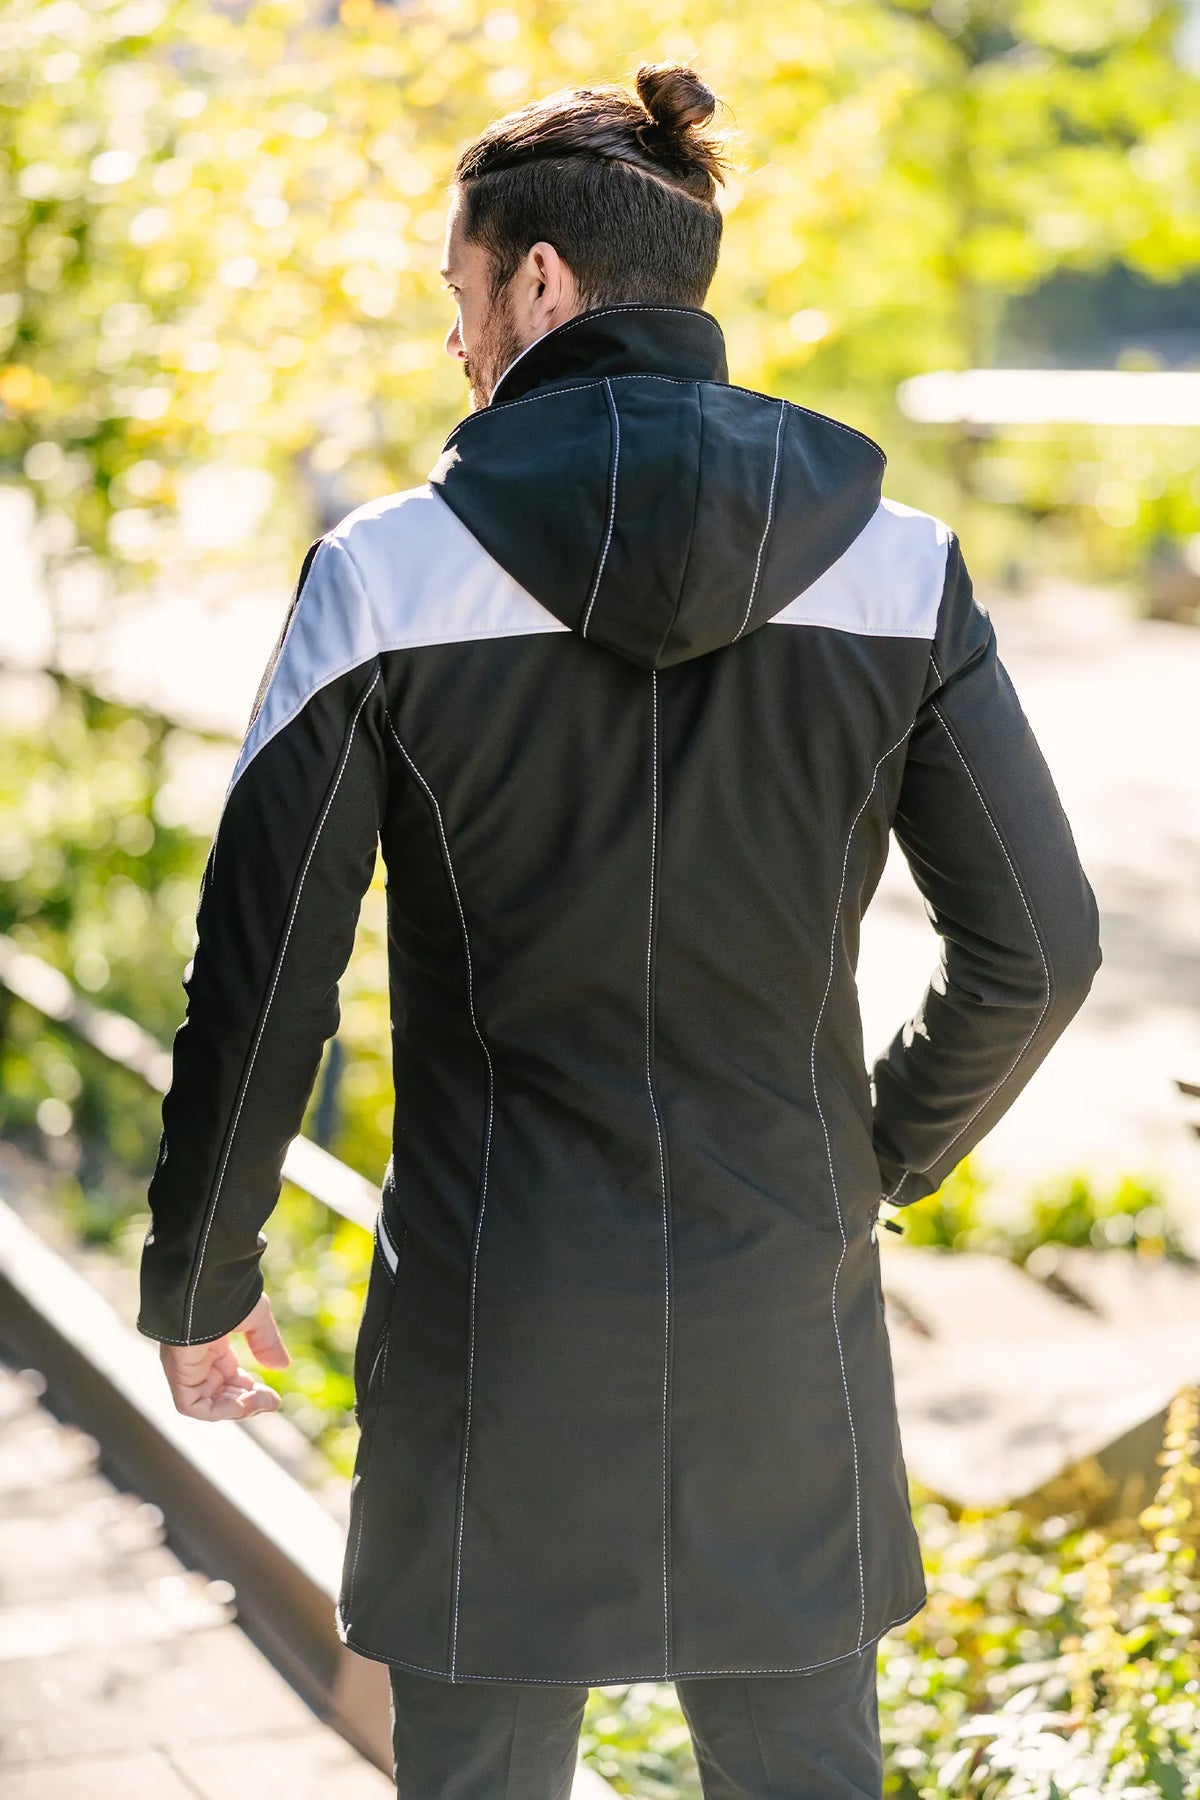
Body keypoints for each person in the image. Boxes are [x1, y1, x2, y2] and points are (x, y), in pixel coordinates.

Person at [138, 62, 1102, 1800]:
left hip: (490, 1324)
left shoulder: (386, 574)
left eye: (456, 292)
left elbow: (265, 971)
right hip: (779, 1309)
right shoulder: (901, 566)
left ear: (538, 281)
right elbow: (1039, 952)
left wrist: (203, 1274)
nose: (454, 340)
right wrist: (866, 1158)